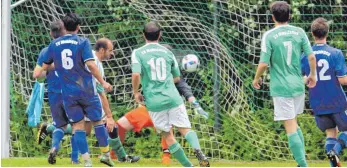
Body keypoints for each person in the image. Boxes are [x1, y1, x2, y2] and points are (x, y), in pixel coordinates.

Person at [37, 13, 114, 167]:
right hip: (86, 90)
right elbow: (91, 65)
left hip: (68, 93)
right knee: (98, 121)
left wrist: (42, 74)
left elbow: (41, 71)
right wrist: (102, 82)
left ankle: (87, 162)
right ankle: (105, 155)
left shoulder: (53, 45)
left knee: (77, 126)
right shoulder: (82, 42)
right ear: (78, 27)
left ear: (64, 27)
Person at [131, 21, 210, 167]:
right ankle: (198, 151)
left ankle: (188, 166)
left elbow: (136, 75)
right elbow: (177, 78)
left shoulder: (137, 53)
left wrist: (136, 92)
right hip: (173, 98)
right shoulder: (168, 53)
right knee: (185, 129)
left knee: (168, 135)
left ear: (143, 35)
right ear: (160, 34)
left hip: (155, 101)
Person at [252, 1, 316, 167]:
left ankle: (303, 165)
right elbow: (311, 57)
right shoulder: (299, 32)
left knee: (290, 127)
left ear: (273, 17)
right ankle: (302, 162)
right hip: (297, 85)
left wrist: (256, 78)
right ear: (289, 16)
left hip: (281, 88)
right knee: (294, 122)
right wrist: (312, 76)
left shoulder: (270, 35)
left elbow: (264, 63)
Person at [301, 17, 347, 167]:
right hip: (337, 101)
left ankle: (333, 163)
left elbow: (303, 79)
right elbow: (343, 80)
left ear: (312, 34)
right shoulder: (335, 53)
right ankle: (336, 150)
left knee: (330, 133)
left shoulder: (305, 56)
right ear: (327, 33)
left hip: (318, 102)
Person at [33, 20, 78, 164]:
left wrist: (48, 69)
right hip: (72, 92)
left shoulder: (46, 51)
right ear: (65, 32)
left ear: (51, 33)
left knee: (60, 125)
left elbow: (38, 74)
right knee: (78, 125)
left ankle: (54, 147)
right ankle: (74, 159)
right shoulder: (73, 48)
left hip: (54, 94)